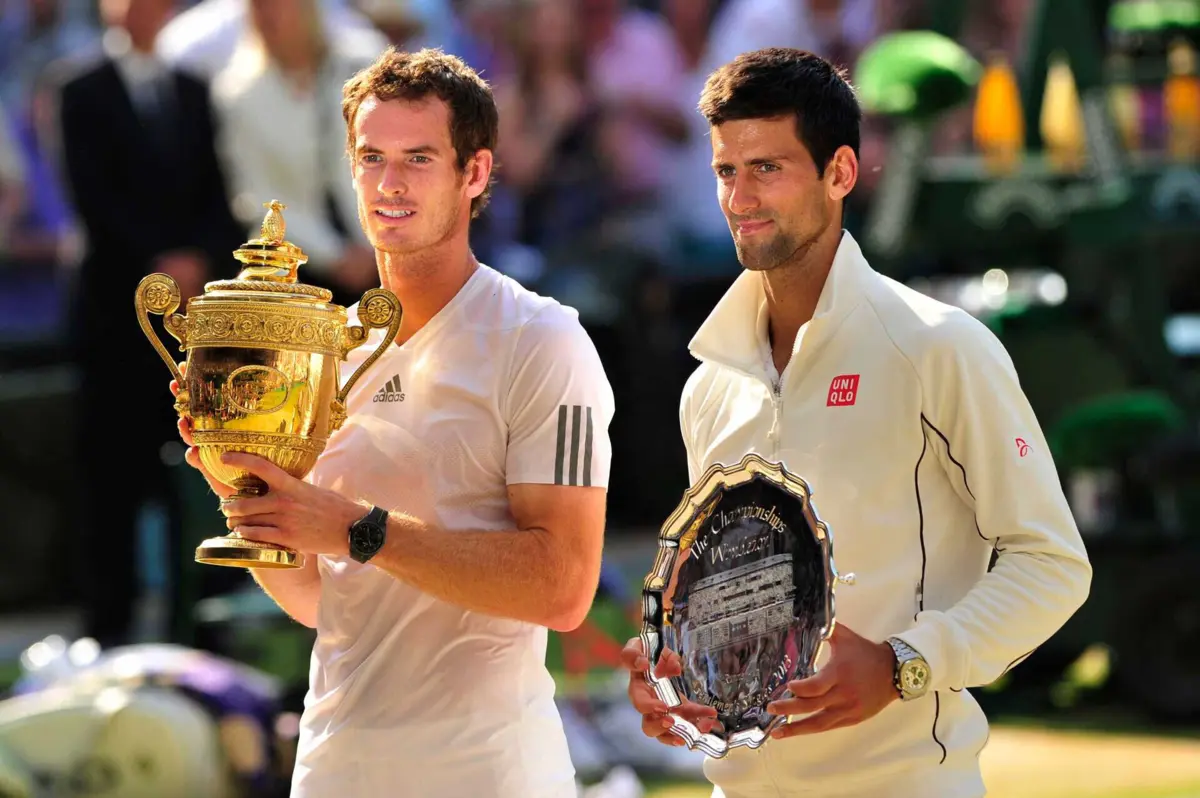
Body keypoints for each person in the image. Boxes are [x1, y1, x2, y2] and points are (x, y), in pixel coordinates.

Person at [619, 48, 1092, 798]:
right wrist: (675, 677)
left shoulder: (939, 346)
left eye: (767, 168)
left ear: (840, 173)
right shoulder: (708, 387)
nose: (740, 197)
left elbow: (1053, 565)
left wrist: (907, 664)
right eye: (725, 170)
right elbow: (729, 600)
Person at [173, 48, 615, 796]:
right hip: (335, 767)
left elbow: (564, 588)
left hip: (489, 775)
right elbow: (326, 600)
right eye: (371, 157)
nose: (389, 183)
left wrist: (357, 529)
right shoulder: (322, 353)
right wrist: (248, 494)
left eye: (418, 158)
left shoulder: (543, 340)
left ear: (474, 174)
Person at [55, 0, 245, 649]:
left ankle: (199, 636)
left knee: (199, 473)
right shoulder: (79, 90)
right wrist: (159, 262)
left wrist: (199, 259)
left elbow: (217, 190)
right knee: (110, 481)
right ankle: (108, 635)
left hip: (190, 325)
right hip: (114, 320)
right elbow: (92, 197)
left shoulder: (192, 91)